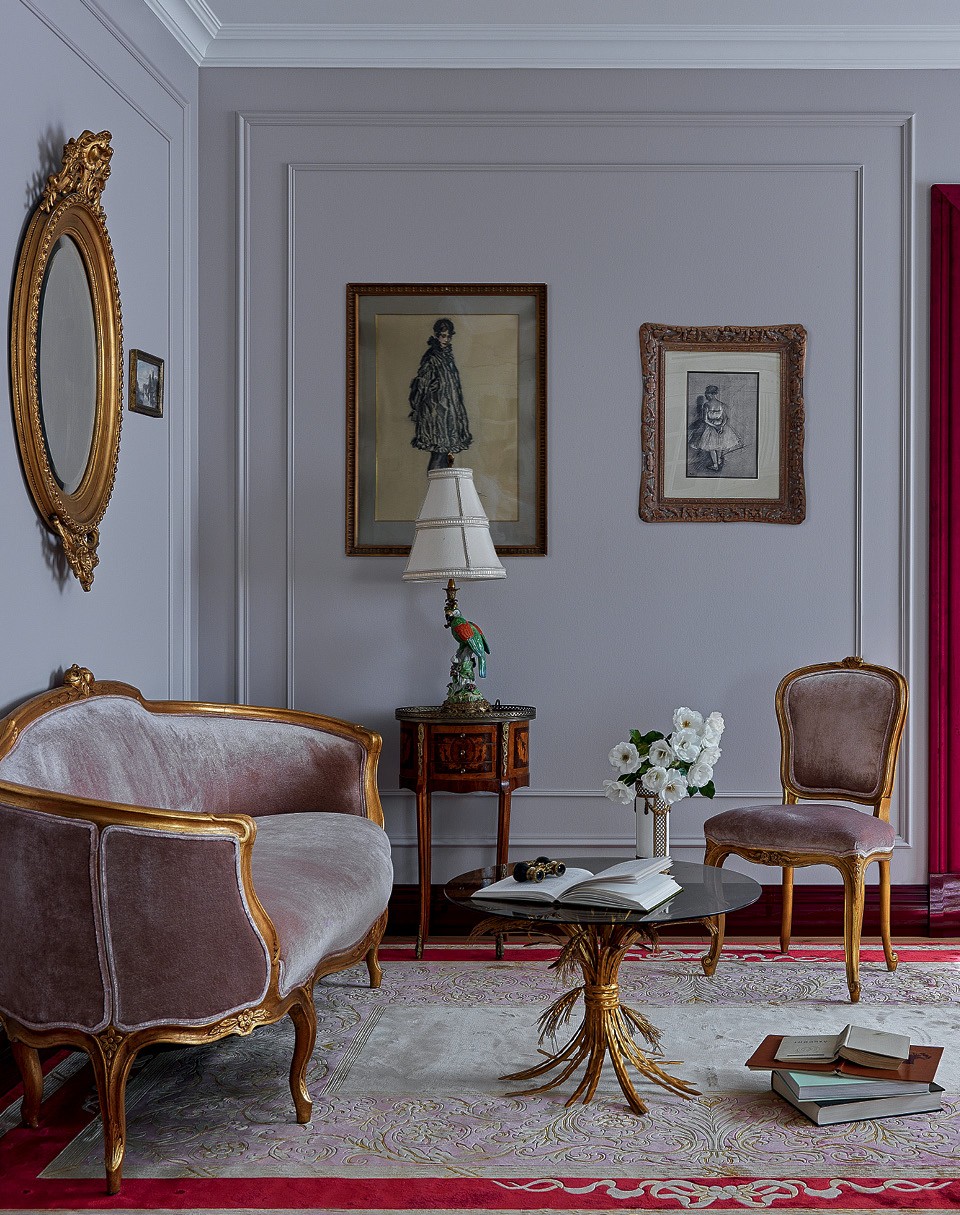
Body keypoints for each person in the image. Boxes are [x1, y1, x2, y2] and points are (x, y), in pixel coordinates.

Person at [408, 318, 472, 471]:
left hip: (449, 412)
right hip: (436, 413)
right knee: (438, 453)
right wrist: (417, 407)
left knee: (445, 455)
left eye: (449, 336)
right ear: (437, 335)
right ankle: (433, 484)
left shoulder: (447, 356)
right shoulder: (432, 357)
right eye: (443, 336)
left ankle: (440, 484)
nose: (446, 339)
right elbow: (421, 385)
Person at [693, 384, 741, 472]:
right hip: (720, 426)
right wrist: (721, 426)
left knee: (712, 447)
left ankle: (715, 464)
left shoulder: (706, 405)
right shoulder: (721, 404)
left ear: (711, 394)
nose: (706, 395)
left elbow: (706, 420)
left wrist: (716, 427)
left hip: (711, 427)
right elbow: (725, 418)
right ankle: (718, 460)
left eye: (707, 393)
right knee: (719, 445)